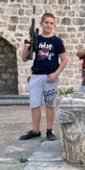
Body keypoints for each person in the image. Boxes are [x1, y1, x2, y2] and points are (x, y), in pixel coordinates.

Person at [20, 12, 68, 142]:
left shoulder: (57, 41)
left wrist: (56, 74)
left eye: (51, 23)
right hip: (36, 75)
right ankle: (35, 130)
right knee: (34, 104)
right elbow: (24, 58)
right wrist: (26, 47)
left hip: (50, 77)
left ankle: (49, 130)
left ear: (54, 25)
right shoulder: (37, 39)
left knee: (50, 104)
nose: (49, 25)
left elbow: (64, 60)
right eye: (46, 22)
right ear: (41, 23)